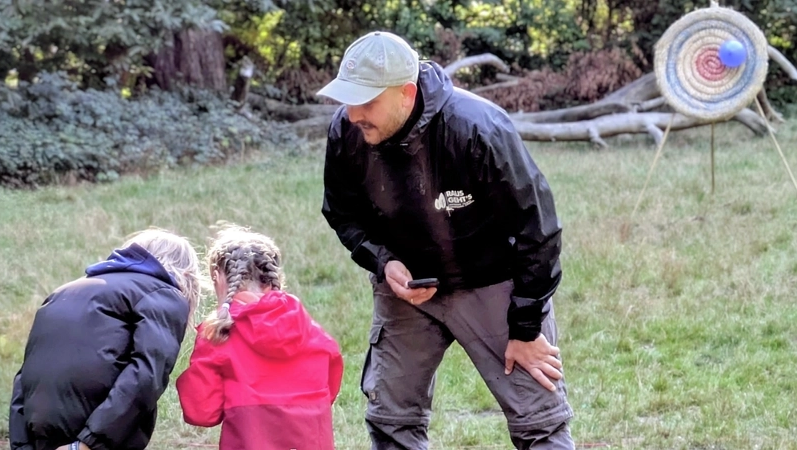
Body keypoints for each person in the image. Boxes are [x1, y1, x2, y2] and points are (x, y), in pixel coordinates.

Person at [317, 31, 574, 449]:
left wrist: (525, 328)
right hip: (408, 290)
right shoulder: (348, 133)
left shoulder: (477, 128)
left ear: (406, 92)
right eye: (347, 99)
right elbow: (342, 213)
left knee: (538, 424)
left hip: (494, 286)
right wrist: (383, 262)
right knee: (390, 420)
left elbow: (537, 229)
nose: (352, 114)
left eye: (366, 102)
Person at [9, 228, 202, 450]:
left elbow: (25, 375)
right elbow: (147, 374)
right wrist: (87, 444)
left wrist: (22, 445)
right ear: (186, 275)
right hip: (99, 433)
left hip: (41, 431)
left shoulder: (62, 292)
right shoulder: (163, 293)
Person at [176, 225, 343, 450]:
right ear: (273, 277)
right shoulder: (309, 329)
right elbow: (330, 385)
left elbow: (202, 412)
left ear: (217, 278)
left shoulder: (219, 334)